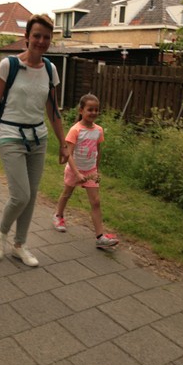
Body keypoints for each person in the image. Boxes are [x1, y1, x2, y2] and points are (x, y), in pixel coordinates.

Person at [0, 14, 69, 267]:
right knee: (20, 195)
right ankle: (1, 233)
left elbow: (53, 110)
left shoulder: (50, 69)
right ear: (26, 37)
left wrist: (63, 143)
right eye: (36, 36)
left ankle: (20, 245)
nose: (41, 41)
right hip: (11, 135)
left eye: (46, 37)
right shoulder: (9, 65)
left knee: (32, 194)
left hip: (39, 138)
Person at [52, 94, 120, 250]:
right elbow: (68, 154)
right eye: (90, 109)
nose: (94, 112)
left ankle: (100, 237)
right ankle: (58, 215)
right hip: (74, 170)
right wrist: (77, 173)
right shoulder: (75, 130)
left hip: (91, 171)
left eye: (96, 110)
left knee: (96, 202)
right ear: (81, 110)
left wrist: (97, 170)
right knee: (67, 193)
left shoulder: (98, 130)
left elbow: (98, 151)